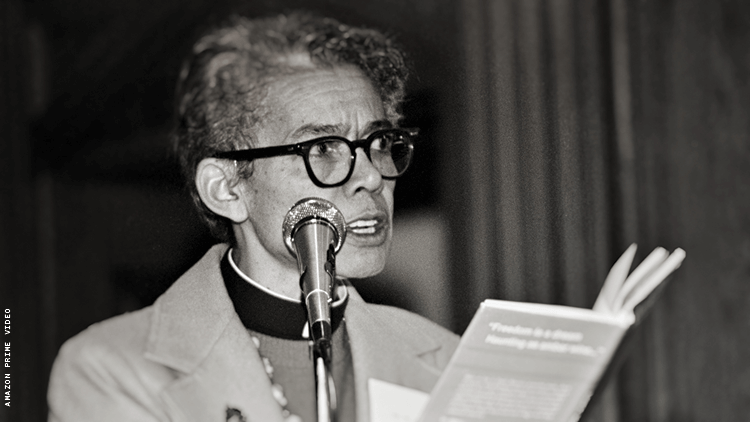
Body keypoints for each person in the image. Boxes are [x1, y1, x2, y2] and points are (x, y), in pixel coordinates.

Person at [47, 11, 459, 422]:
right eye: (322, 148)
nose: (371, 176)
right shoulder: (113, 370)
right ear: (226, 189)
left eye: (379, 142)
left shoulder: (450, 362)